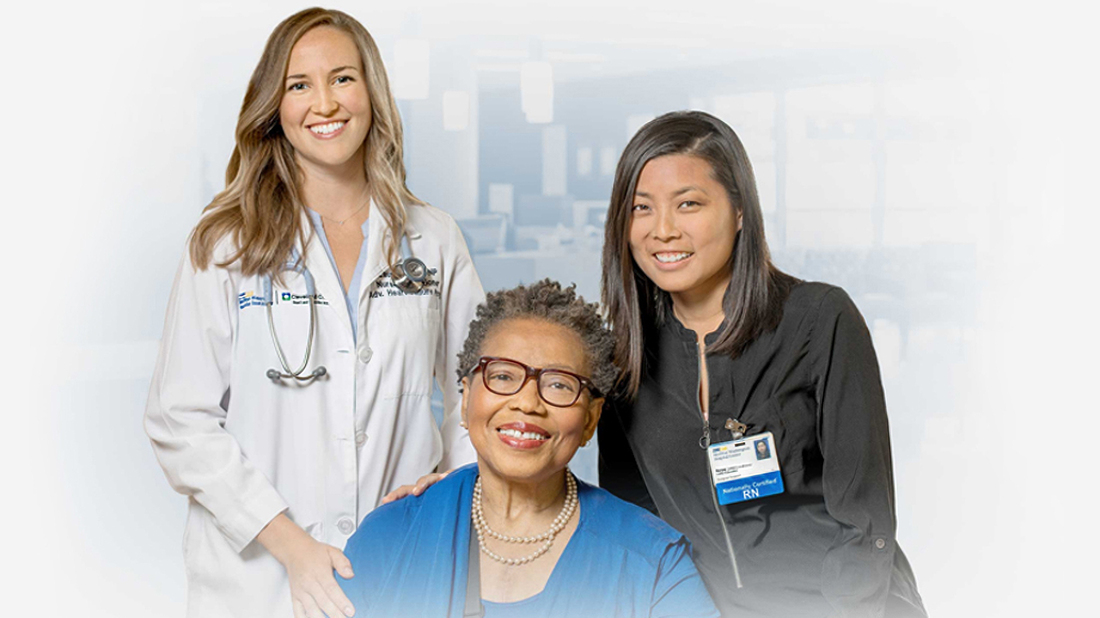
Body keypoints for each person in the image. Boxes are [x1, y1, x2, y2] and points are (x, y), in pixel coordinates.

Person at [143, 8, 483, 618]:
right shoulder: (226, 245)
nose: (324, 103)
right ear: (276, 106)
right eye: (299, 85)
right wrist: (293, 547)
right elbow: (180, 421)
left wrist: (454, 491)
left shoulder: (433, 239)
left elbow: (480, 389)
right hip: (258, 583)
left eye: (343, 79)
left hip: (400, 564)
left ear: (372, 93)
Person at [598, 111, 925, 617]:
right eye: (641, 208)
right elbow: (638, 523)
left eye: (688, 204)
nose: (662, 230)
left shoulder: (818, 321)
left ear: (740, 211)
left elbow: (865, 522)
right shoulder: (627, 356)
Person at [338, 280, 720, 618]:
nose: (527, 403)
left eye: (558, 384)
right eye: (503, 375)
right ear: (467, 398)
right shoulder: (389, 538)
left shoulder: (651, 561)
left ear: (590, 419)